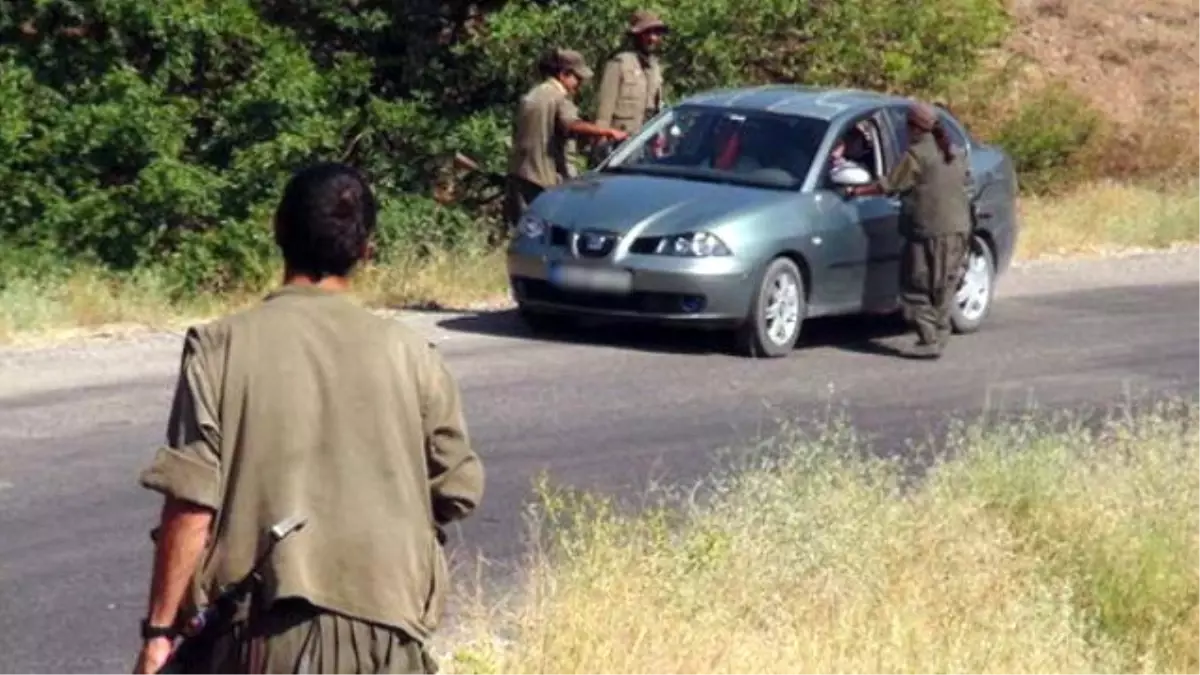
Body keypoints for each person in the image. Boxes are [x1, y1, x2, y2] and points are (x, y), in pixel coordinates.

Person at [131, 162, 485, 674]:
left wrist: (159, 634)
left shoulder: (220, 349)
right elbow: (458, 488)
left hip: (265, 635)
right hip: (390, 637)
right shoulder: (415, 355)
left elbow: (192, 503)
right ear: (367, 249)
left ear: (278, 232)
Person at [849, 101, 972, 359]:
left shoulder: (917, 156)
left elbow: (890, 185)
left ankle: (929, 338)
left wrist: (857, 191)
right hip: (959, 230)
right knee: (944, 286)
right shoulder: (955, 153)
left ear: (913, 128)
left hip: (927, 233)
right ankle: (939, 333)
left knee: (915, 287)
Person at [504, 48, 628, 229]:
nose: (579, 84)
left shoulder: (532, 95)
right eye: (577, 78)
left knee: (523, 230)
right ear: (564, 74)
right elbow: (571, 124)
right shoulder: (559, 98)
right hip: (543, 178)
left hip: (519, 173)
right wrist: (607, 132)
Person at [589, 9, 669, 165]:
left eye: (656, 33)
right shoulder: (619, 63)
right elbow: (604, 109)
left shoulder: (655, 67)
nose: (652, 38)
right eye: (647, 33)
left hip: (646, 141)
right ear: (637, 35)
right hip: (620, 142)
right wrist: (601, 142)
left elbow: (657, 106)